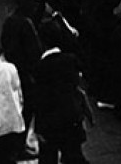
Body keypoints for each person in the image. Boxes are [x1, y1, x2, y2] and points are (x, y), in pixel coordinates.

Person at [33, 20, 89, 164]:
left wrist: (38, 128)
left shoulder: (40, 67)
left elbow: (40, 100)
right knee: (74, 156)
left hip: (50, 122)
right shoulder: (71, 60)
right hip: (71, 117)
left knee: (48, 158)